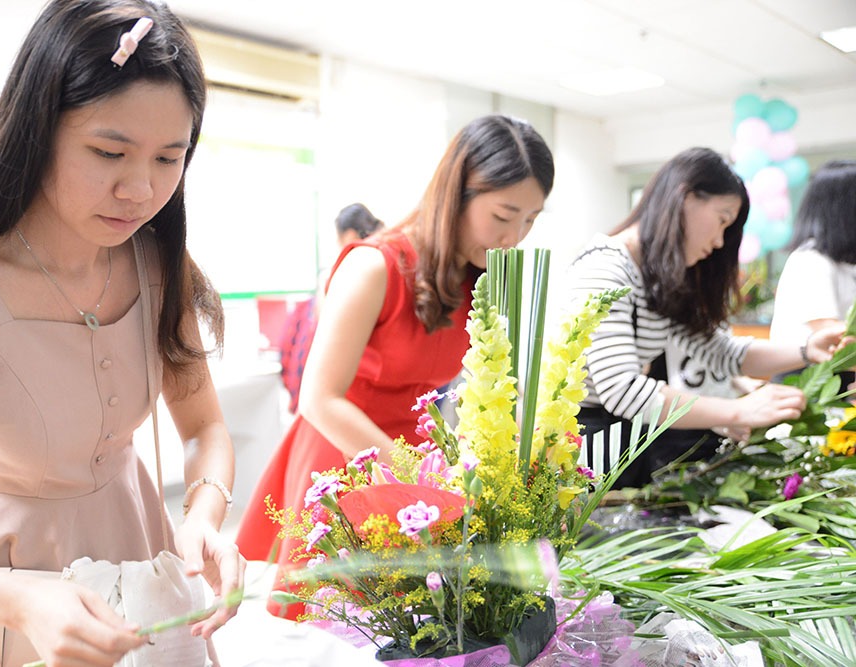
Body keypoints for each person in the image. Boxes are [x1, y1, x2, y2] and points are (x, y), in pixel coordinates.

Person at [0, 1, 244, 665]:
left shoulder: (158, 267)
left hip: (140, 569)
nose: (140, 189)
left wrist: (205, 516)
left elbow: (204, 427)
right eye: (109, 151)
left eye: (168, 158)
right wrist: (19, 600)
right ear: (36, 128)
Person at [236, 114, 555, 617]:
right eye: (504, 214)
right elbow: (320, 398)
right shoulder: (374, 266)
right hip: (346, 456)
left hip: (416, 461)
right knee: (339, 628)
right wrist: (412, 474)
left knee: (416, 625)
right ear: (457, 194)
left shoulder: (476, 277)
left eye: (531, 219)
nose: (514, 236)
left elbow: (486, 385)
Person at [570, 147, 846, 489]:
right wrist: (737, 411)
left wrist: (806, 349)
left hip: (624, 437)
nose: (718, 242)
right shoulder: (606, 268)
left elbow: (722, 352)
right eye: (721, 219)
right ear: (685, 197)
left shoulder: (654, 277)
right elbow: (621, 389)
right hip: (585, 445)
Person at [279, 203, 385, 414]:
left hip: (348, 382)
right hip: (381, 377)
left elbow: (322, 326)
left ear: (349, 235)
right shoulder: (390, 256)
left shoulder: (343, 270)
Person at [769, 160, 856, 386]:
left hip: (836, 375)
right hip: (805, 381)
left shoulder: (843, 263)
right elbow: (834, 336)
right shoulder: (810, 261)